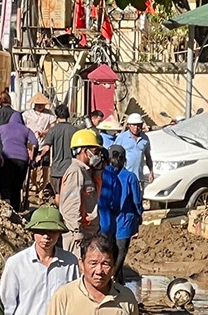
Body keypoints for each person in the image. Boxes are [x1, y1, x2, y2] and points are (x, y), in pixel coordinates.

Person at [58, 128, 106, 256]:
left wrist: (98, 169)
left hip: (88, 233)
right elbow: (71, 205)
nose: (97, 156)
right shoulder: (76, 171)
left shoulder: (86, 171)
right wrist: (76, 232)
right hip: (78, 236)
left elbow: (95, 195)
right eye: (95, 152)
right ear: (85, 151)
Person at [102, 145, 142, 285]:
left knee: (109, 250)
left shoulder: (103, 175)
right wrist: (139, 214)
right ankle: (113, 278)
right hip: (125, 218)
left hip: (106, 220)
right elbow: (136, 200)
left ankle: (117, 279)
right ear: (124, 159)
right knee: (121, 251)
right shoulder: (130, 177)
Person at [0, 112, 39, 211]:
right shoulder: (26, 130)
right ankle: (16, 210)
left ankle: (6, 204)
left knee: (5, 184)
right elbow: (35, 143)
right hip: (22, 160)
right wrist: (33, 158)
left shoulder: (3, 127)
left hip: (7, 158)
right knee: (17, 186)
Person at [41, 104, 78, 203]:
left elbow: (46, 147)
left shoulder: (53, 130)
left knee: (58, 194)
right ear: (68, 115)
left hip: (56, 169)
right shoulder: (75, 130)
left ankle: (59, 214)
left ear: (56, 116)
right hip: (71, 168)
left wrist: (39, 156)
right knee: (70, 195)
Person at [113, 112, 154, 185]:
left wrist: (151, 172)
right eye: (134, 125)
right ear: (129, 125)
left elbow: (148, 157)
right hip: (124, 177)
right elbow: (114, 155)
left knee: (138, 196)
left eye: (138, 125)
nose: (136, 128)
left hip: (139, 178)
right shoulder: (122, 138)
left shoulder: (145, 139)